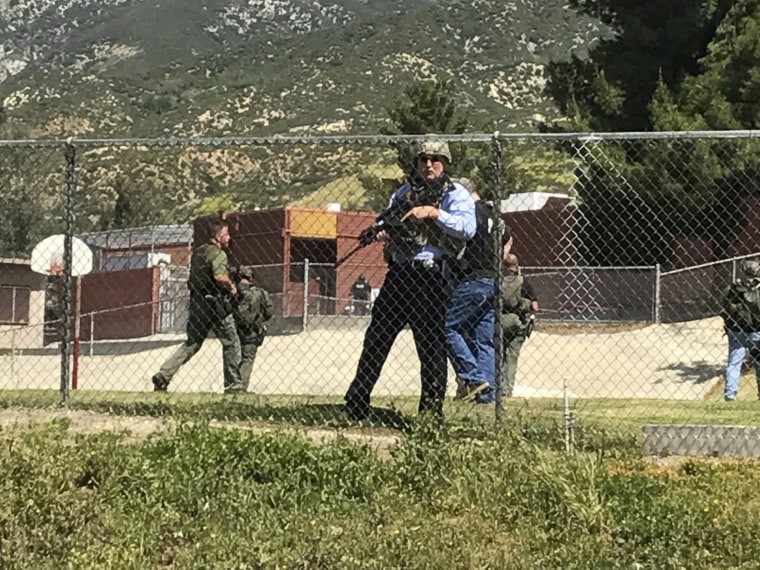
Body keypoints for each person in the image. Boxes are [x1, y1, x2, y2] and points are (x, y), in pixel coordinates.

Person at [344, 139, 477, 420]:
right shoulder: (404, 193)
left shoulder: (456, 194)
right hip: (400, 275)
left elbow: (467, 228)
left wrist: (432, 213)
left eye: (435, 159)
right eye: (423, 159)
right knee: (377, 339)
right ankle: (356, 403)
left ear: (445, 162)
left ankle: (430, 413)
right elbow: (388, 223)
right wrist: (380, 232)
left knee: (430, 346)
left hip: (431, 276)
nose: (428, 164)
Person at [151, 219, 243, 393]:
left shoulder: (198, 252)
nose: (229, 237)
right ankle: (233, 385)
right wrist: (232, 287)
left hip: (197, 303)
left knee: (192, 343)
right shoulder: (218, 254)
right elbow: (219, 276)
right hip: (215, 305)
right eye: (227, 234)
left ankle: (164, 374)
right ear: (218, 236)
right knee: (231, 342)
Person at [445, 179, 510, 404]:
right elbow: (508, 238)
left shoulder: (469, 213)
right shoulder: (494, 214)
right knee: (485, 339)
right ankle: (487, 393)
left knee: (447, 327)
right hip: (496, 279)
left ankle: (473, 377)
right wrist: (498, 259)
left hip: (474, 278)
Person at [720, 259, 760, 401]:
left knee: (734, 363)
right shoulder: (757, 291)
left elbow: (725, 306)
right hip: (756, 332)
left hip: (736, 331)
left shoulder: (731, 289)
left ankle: (730, 394)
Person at [500, 251, 538, 399]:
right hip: (519, 322)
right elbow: (535, 306)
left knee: (499, 355)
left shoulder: (498, 281)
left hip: (501, 322)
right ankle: (507, 390)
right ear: (516, 266)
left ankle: (497, 387)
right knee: (512, 356)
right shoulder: (523, 282)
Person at [231, 265, 274, 392]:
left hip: (234, 329)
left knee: (232, 358)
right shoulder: (260, 293)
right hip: (252, 330)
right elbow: (269, 312)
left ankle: (231, 385)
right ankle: (241, 388)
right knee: (247, 359)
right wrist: (259, 320)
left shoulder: (232, 291)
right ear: (251, 277)